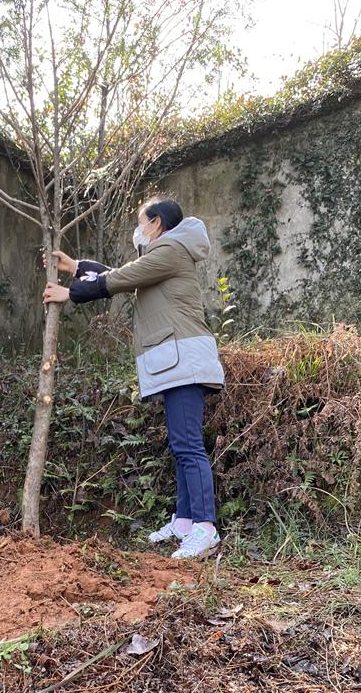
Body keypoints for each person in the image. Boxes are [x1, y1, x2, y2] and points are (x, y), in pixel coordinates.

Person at [43, 197, 225, 559]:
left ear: (156, 223)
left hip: (185, 360)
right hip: (177, 361)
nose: (138, 229)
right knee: (180, 446)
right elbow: (127, 272)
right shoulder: (165, 254)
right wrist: (78, 267)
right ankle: (185, 522)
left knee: (188, 446)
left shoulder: (171, 249)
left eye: (141, 222)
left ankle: (206, 527)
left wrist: (72, 292)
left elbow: (122, 277)